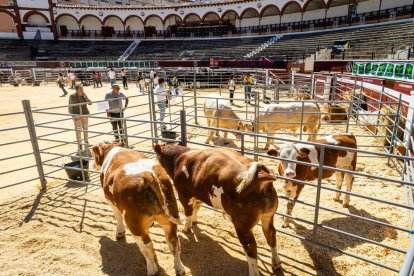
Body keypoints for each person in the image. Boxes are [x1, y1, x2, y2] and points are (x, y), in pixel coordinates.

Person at [68, 84, 92, 150]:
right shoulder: (72, 96)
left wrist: (85, 97)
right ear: (76, 90)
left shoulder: (84, 95)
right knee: (78, 130)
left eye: (82, 89)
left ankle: (86, 142)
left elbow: (90, 103)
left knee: (86, 129)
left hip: (85, 114)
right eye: (80, 89)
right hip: (77, 115)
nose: (82, 90)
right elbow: (70, 107)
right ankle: (80, 144)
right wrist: (73, 117)